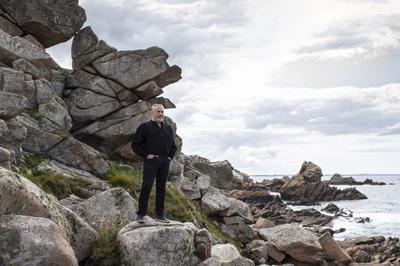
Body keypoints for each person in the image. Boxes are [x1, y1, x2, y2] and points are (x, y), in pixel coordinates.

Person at [132, 104, 177, 223]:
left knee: (161, 188)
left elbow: (173, 146)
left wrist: (169, 158)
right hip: (151, 161)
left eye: (162, 112)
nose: (160, 114)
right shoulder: (144, 127)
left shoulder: (167, 128)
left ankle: (160, 215)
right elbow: (135, 145)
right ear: (151, 113)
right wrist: (146, 155)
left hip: (164, 162)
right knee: (146, 186)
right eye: (158, 111)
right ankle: (141, 214)